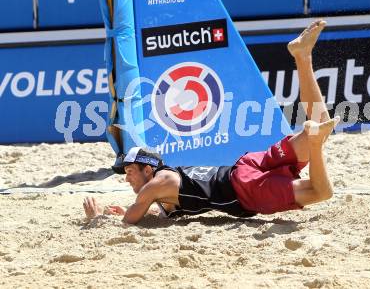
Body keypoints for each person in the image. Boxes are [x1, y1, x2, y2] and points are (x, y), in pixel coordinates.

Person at [83, 20, 340, 224]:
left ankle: (314, 144)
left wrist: (99, 219)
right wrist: (118, 212)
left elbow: (132, 221)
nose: (126, 179)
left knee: (320, 191)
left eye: (129, 172)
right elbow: (156, 212)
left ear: (147, 170)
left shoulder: (153, 187)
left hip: (245, 189)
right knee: (321, 125)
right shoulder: (165, 183)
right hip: (244, 166)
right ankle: (302, 56)